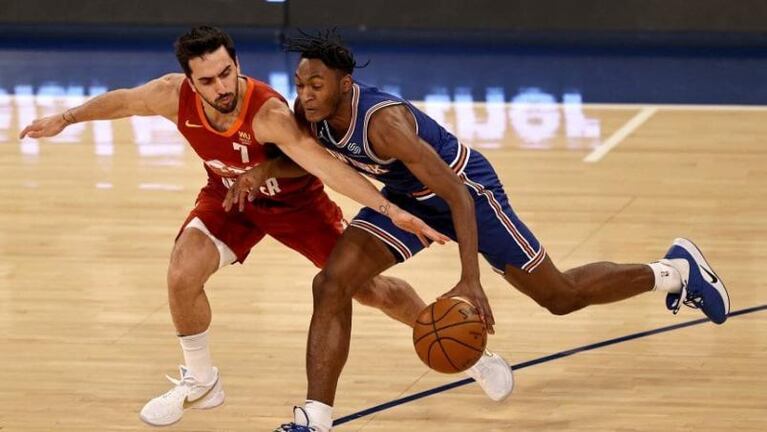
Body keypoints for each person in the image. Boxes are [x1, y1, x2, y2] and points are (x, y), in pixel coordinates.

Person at [228, 30, 730, 432]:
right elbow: (306, 159)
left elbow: (457, 196)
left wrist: (470, 279)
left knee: (560, 296)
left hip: (467, 193)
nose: (305, 93)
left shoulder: (384, 124)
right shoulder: (310, 115)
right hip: (404, 198)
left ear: (343, 82)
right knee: (332, 283)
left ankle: (672, 271)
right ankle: (316, 417)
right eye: (299, 83)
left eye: (316, 84)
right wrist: (262, 171)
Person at [18, 26, 516, 428]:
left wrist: (390, 211)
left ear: (236, 65)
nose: (222, 87)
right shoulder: (173, 97)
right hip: (231, 197)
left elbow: (327, 167)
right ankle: (201, 381)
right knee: (181, 272)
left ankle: (468, 353)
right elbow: (124, 101)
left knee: (370, 290)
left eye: (227, 73)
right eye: (209, 80)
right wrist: (66, 117)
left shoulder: (270, 113)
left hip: (298, 208)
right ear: (191, 82)